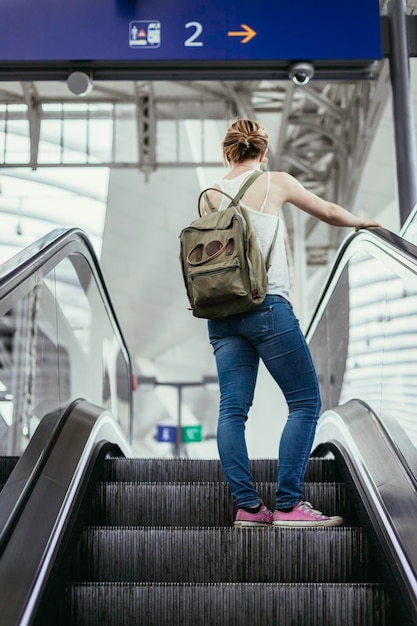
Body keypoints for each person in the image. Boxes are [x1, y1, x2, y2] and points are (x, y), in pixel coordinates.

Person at [199, 119, 380, 528]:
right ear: (263, 152)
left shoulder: (208, 194)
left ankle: (248, 507)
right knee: (304, 402)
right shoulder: (275, 182)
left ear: (227, 152)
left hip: (222, 314)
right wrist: (363, 223)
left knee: (232, 410)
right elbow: (330, 212)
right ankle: (288, 505)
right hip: (267, 307)